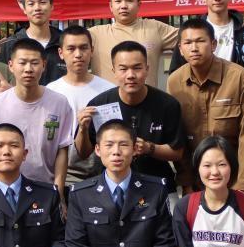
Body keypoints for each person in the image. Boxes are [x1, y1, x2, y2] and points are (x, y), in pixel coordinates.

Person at [167, 18, 244, 194]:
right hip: (197, 180)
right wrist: (186, 181)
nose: (194, 48)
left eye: (200, 41)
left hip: (234, 178)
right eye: (188, 43)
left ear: (213, 44)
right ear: (180, 49)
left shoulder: (239, 78)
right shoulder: (175, 82)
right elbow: (177, 137)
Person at [74, 41, 185, 189]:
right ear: (114, 71)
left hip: (157, 186)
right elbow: (83, 153)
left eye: (137, 68)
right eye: (123, 69)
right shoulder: (99, 104)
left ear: (147, 69)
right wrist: (82, 129)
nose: (131, 75)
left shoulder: (168, 104)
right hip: (111, 187)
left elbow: (177, 152)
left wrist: (148, 148)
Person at [0, 39, 74, 190]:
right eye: (22, 63)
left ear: (44, 65)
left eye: (34, 63)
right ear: (11, 65)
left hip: (46, 189)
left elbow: (62, 150)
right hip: (7, 190)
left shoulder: (59, 103)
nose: (28, 69)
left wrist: (58, 193)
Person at [46, 25, 114, 185]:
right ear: (60, 53)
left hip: (101, 174)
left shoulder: (109, 90)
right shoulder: (50, 91)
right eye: (71, 49)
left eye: (83, 48)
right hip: (59, 173)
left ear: (92, 50)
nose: (78, 54)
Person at [87, 0, 178, 77]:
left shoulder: (154, 28)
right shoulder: (94, 34)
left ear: (139, 5)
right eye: (118, 1)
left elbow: (186, 38)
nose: (123, 6)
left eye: (129, 1)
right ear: (111, 6)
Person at [0, 0, 66, 85]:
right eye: (31, 4)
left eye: (42, 2)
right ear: (24, 8)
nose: (37, 8)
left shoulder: (66, 43)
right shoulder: (7, 46)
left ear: (51, 6)